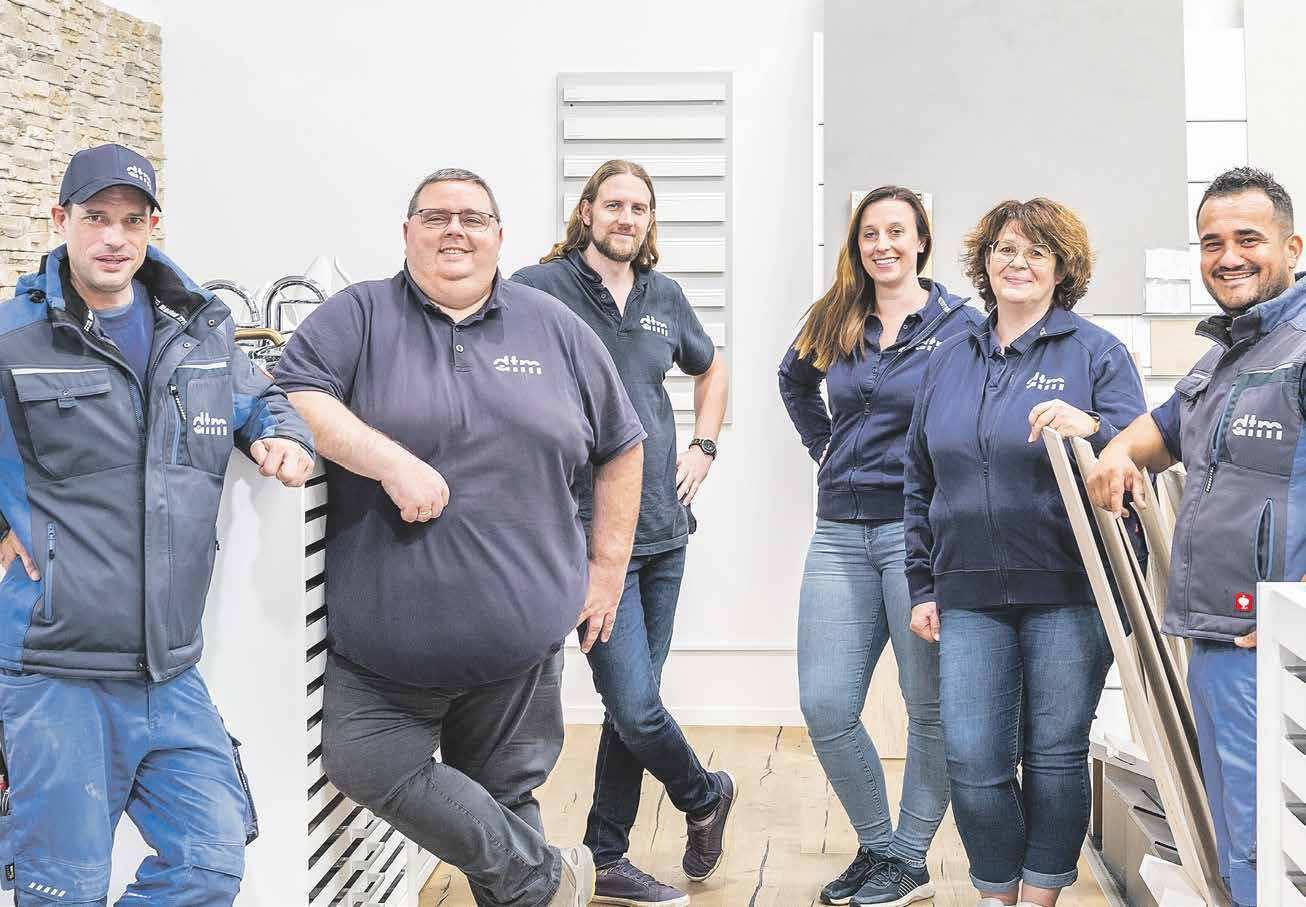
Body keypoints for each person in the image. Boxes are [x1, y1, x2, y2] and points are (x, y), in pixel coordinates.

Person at [275, 167, 647, 907]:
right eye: (436, 216)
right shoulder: (360, 315)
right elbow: (294, 393)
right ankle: (549, 876)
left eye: (473, 218)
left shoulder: (555, 327)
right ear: (406, 231)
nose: (455, 230)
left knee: (503, 802)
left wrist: (608, 569)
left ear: (499, 236)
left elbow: (622, 444)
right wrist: (390, 462)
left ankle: (535, 881)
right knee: (363, 762)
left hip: (518, 649)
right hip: (384, 652)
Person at [0, 143, 315, 905]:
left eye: (132, 219)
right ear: (61, 220)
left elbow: (260, 395)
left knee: (210, 860)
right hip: (56, 670)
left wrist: (280, 434)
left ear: (151, 226)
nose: (114, 236)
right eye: (96, 217)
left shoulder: (198, 330)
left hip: (169, 668)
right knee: (63, 888)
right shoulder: (13, 337)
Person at [903, 197, 1147, 907]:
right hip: (967, 587)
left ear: (1062, 269)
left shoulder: (1096, 353)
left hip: (1070, 588)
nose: (1018, 263)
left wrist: (1092, 426)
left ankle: (1038, 896)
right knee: (972, 754)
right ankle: (995, 889)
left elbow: (1143, 452)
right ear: (984, 263)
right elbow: (919, 479)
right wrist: (922, 584)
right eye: (1005, 249)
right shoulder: (949, 359)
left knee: (1055, 754)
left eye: (1036, 252)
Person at [512, 159, 735, 907]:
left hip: (666, 531)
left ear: (650, 220)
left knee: (629, 707)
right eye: (613, 205)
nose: (626, 218)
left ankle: (607, 855)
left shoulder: (663, 297)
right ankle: (704, 793)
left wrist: (704, 446)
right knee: (636, 704)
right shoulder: (538, 289)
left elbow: (713, 368)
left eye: (639, 207)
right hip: (586, 534)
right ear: (587, 211)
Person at [1087, 167, 1304, 907]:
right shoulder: (1223, 359)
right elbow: (1160, 431)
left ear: (1292, 247)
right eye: (1212, 243)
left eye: (1248, 239)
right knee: (1247, 843)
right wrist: (1118, 453)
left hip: (1275, 646)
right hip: (1222, 637)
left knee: (1270, 851)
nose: (1228, 256)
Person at [778, 186, 979, 907]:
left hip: (918, 534)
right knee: (826, 703)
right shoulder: (835, 315)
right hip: (838, 530)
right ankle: (876, 846)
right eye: (870, 233)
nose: (883, 244)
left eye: (897, 231)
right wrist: (825, 447)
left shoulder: (960, 326)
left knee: (928, 706)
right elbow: (793, 381)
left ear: (922, 240)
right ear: (857, 244)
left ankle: (910, 858)